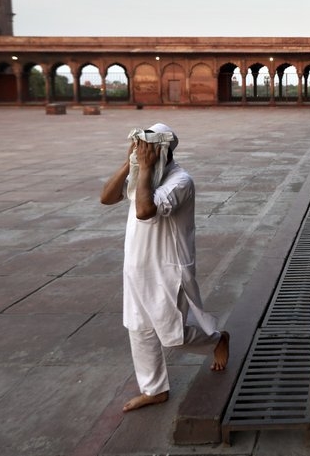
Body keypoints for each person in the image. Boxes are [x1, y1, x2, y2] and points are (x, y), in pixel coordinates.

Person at [100, 122, 229, 412]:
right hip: (136, 265)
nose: (140, 155)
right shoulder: (139, 173)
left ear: (163, 153)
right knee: (139, 328)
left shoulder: (180, 181)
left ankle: (217, 339)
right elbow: (106, 197)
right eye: (138, 149)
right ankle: (154, 389)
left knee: (173, 335)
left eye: (147, 150)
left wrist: (144, 169)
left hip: (167, 270)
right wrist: (128, 163)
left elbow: (145, 210)